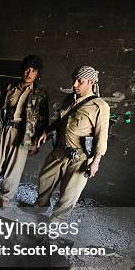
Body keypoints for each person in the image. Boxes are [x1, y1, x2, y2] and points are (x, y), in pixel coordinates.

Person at [0, 55, 49, 207]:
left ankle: (5, 196)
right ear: (22, 70)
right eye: (27, 69)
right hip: (4, 129)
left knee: (15, 167)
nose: (29, 73)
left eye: (34, 71)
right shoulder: (9, 87)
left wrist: (36, 144)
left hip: (24, 135)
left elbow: (43, 122)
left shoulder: (40, 95)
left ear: (37, 74)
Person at [34, 65, 110, 219]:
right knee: (44, 180)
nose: (74, 85)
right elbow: (61, 121)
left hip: (80, 157)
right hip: (60, 150)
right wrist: (47, 130)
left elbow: (102, 137)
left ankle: (57, 221)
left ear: (91, 82)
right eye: (74, 80)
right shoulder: (69, 99)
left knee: (69, 193)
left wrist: (95, 162)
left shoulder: (100, 106)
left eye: (79, 81)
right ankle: (40, 207)